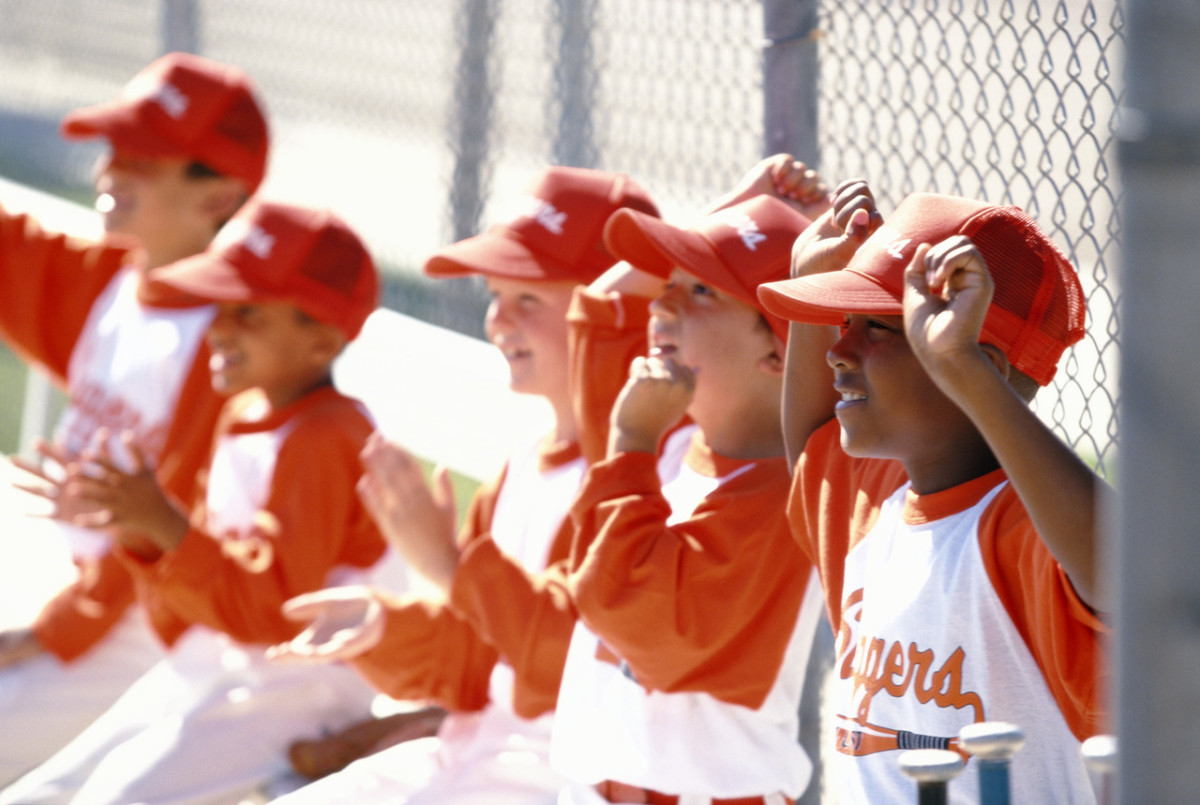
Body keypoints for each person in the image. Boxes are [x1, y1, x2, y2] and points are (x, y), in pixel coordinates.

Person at [264, 166, 662, 805]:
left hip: (564, 779)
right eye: (495, 294)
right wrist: (385, 627)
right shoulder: (524, 460)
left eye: (529, 299)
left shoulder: (642, 479)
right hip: (475, 751)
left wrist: (450, 565)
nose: (497, 320)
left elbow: (571, 666)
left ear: (616, 311)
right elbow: (478, 662)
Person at [0, 200, 391, 805]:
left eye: (248, 312)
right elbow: (202, 603)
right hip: (222, 662)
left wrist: (160, 523)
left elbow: (276, 615)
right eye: (219, 305)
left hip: (303, 688)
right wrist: (132, 526)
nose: (218, 328)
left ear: (321, 341)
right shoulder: (243, 412)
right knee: (42, 795)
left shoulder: (327, 437)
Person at [755, 179, 1107, 803]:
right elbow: (812, 445)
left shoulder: (1023, 532)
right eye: (843, 323)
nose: (838, 350)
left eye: (878, 329)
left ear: (981, 365)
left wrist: (961, 368)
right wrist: (812, 286)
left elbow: (1123, 572)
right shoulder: (875, 509)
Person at [0, 51, 270, 785]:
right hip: (72, 578)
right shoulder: (113, 278)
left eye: (142, 160)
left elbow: (161, 529)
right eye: (114, 149)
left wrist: (53, 629)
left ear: (220, 196)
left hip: (142, 621)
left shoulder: (236, 344)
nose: (108, 171)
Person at [548, 156, 831, 805]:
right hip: (608, 787)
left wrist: (630, 442)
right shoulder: (678, 436)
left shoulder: (779, 500)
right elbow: (603, 313)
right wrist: (736, 207)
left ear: (779, 350)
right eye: (670, 281)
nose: (662, 301)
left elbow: (632, 613)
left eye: (701, 291)